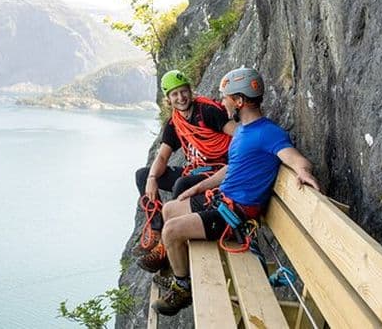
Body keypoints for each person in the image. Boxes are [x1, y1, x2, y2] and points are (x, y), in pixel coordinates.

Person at [150, 67, 321, 316]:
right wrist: (198, 188)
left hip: (235, 216)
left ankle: (183, 286)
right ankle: (181, 270)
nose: (222, 103)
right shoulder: (242, 131)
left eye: (225, 98)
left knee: (171, 230)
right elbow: (231, 169)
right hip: (221, 201)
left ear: (239, 101)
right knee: (170, 208)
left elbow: (295, 159)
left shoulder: (267, 133)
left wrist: (303, 171)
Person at [133, 70, 237, 271]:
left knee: (182, 183)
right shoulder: (175, 123)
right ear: (168, 99)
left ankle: (168, 244)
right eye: (175, 94)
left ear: (190, 91)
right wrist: (152, 178)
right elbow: (163, 156)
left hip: (217, 171)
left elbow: (238, 133)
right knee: (142, 175)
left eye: (183, 91)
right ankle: (157, 231)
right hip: (195, 170)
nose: (180, 98)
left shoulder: (207, 111)